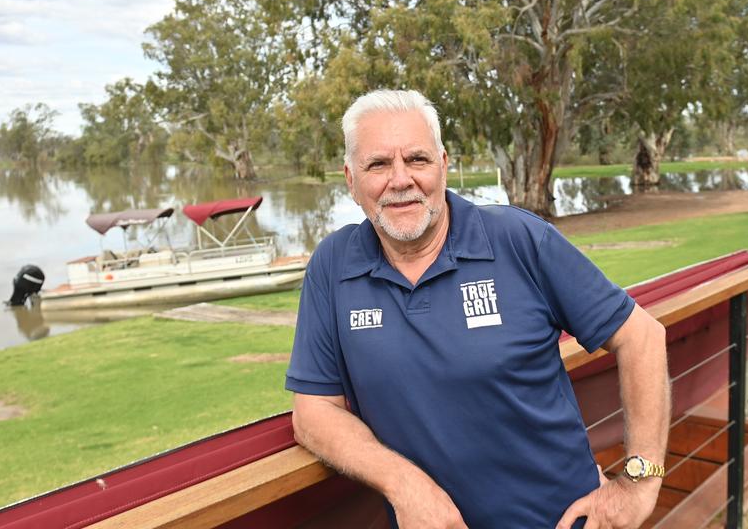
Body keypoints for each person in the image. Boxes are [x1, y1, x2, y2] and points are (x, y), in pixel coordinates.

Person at [286, 89, 669, 529]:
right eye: (378, 164)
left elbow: (641, 335)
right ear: (351, 180)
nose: (400, 180)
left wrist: (641, 480)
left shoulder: (519, 239)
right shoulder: (333, 266)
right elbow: (313, 412)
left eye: (417, 159)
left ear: (444, 166)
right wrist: (404, 484)